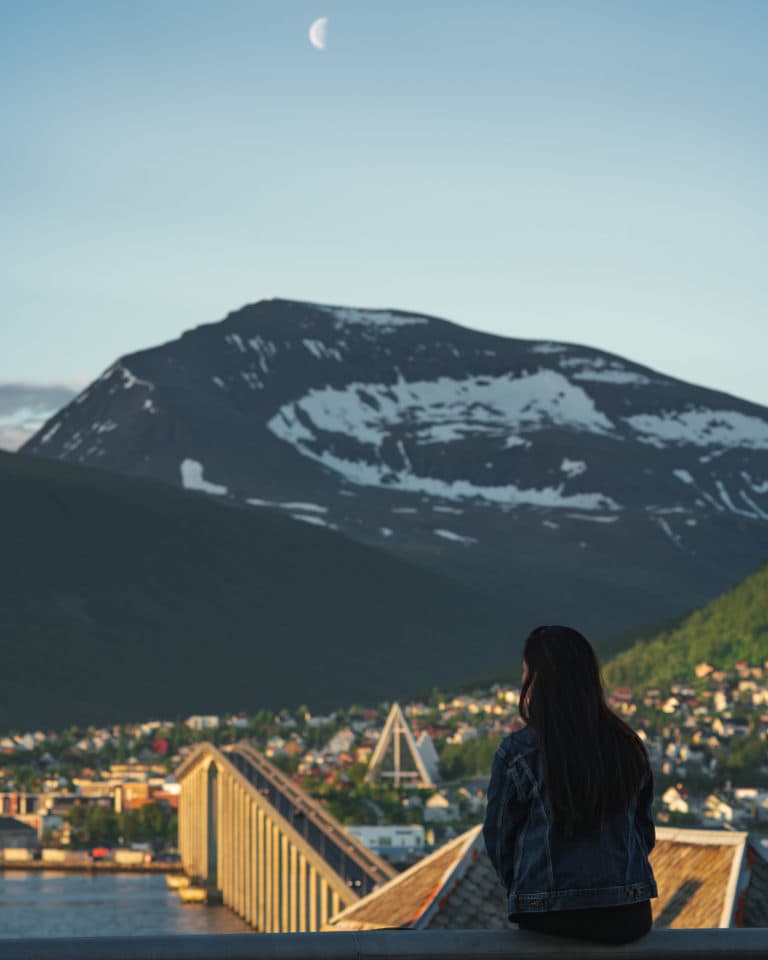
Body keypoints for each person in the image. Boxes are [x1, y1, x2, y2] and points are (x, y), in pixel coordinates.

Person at [483, 624, 657, 944]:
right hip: (627, 915)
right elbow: (644, 832)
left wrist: (527, 889)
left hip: (550, 916)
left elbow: (498, 840)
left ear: (537, 680)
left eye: (525, 672)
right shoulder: (628, 745)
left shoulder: (518, 752)